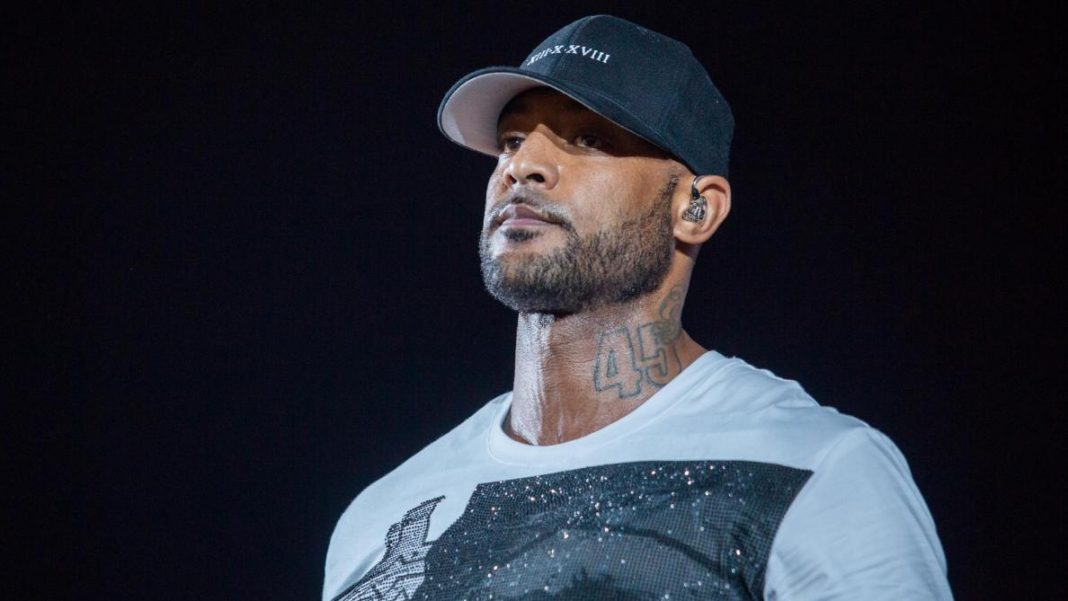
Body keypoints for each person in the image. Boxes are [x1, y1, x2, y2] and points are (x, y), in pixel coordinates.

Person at [324, 15, 952, 601]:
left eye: (589, 138)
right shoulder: (384, 516)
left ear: (696, 209)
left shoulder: (813, 470)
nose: (523, 166)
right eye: (512, 140)